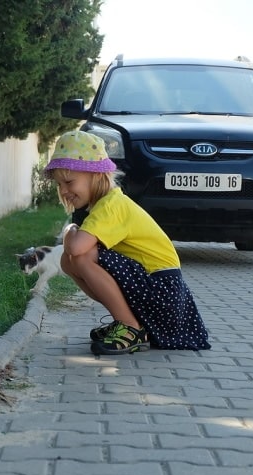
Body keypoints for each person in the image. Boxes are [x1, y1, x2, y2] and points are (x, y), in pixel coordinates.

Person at [43, 130, 210, 355]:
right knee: (68, 261)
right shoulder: (106, 204)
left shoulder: (111, 206)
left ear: (95, 175)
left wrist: (70, 229)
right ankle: (127, 321)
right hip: (160, 292)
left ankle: (131, 327)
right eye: (59, 184)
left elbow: (75, 246)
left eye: (69, 182)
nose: (63, 191)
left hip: (163, 290)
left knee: (81, 256)